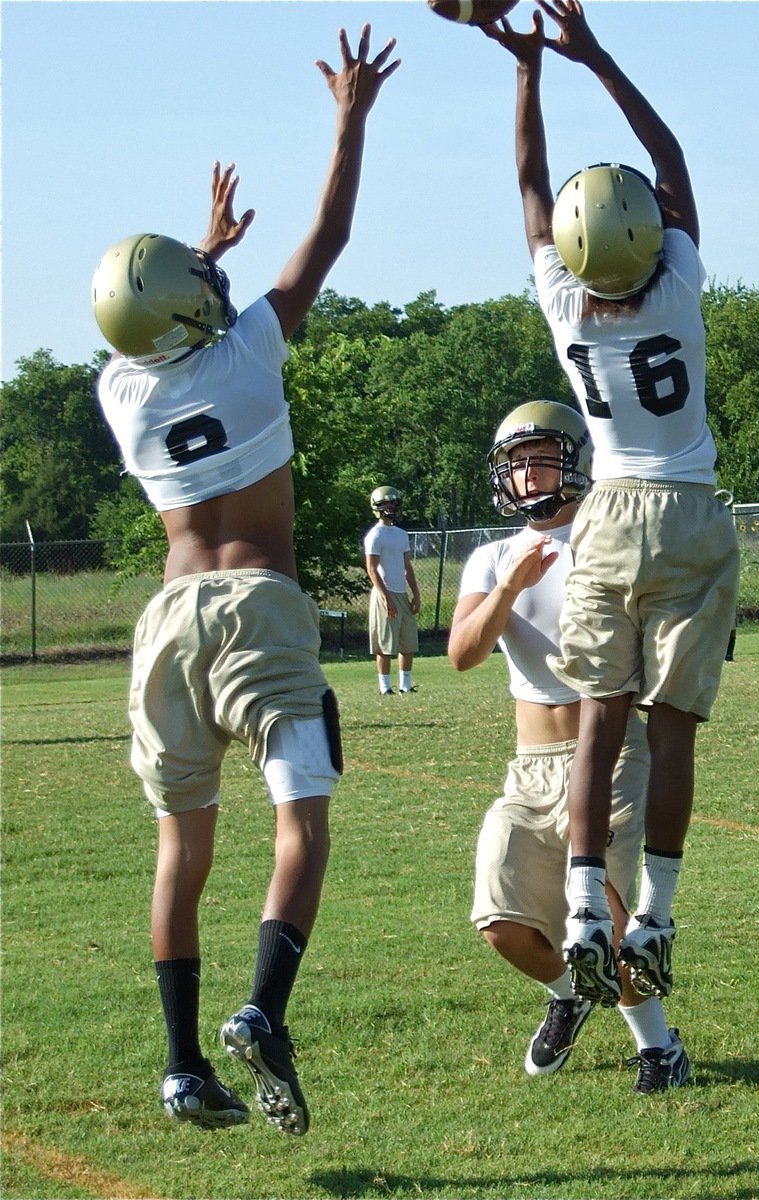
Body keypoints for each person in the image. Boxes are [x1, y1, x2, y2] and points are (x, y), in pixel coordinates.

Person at [92, 26, 400, 1133]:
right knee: (301, 825)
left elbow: (165, 328)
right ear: (193, 309)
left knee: (183, 847)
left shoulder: (118, 394)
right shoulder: (251, 349)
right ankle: (263, 1011)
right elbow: (327, 237)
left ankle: (181, 1066)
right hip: (261, 607)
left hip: (166, 621)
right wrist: (348, 116)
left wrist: (201, 257)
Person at [482, 0, 739, 1007]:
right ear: (649, 238)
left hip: (609, 515)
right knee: (668, 732)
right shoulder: (676, 288)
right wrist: (591, 54)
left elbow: (526, 188)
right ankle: (658, 915)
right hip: (689, 512)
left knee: (597, 722)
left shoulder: (564, 308)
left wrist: (524, 74)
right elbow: (667, 155)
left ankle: (587, 908)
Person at [448, 400, 690, 1093]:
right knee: (499, 920)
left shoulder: (607, 537)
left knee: (609, 917)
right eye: (517, 463)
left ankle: (660, 1048)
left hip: (610, 755)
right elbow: (463, 652)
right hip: (529, 768)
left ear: (575, 457)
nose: (529, 474)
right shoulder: (492, 556)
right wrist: (510, 587)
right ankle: (569, 993)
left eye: (541, 456)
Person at [364, 485, 421, 694]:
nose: (391, 507)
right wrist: (385, 596)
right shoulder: (375, 535)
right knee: (385, 644)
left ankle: (405, 685)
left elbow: (407, 566)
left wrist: (415, 593)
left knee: (407, 642)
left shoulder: (401, 534)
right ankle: (385, 687)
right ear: (377, 507)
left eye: (393, 503)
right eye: (386, 504)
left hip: (401, 593)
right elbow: (371, 568)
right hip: (384, 593)